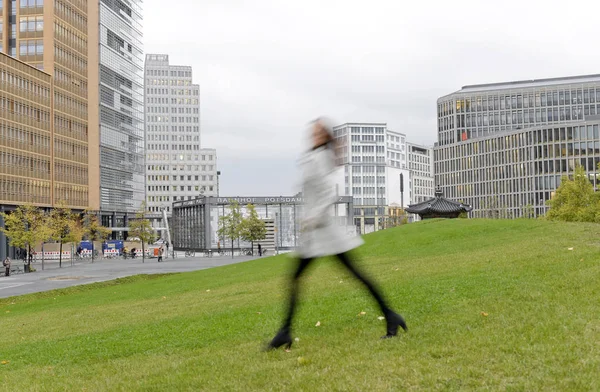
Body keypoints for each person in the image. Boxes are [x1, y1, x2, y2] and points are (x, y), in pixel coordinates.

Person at [267, 118, 407, 351]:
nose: (312, 136)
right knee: (346, 276)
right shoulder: (315, 156)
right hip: (318, 235)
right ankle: (391, 316)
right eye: (311, 132)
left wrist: (312, 218)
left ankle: (284, 332)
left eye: (316, 133)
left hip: (324, 233)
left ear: (324, 136)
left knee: (344, 276)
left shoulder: (321, 158)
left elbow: (327, 194)